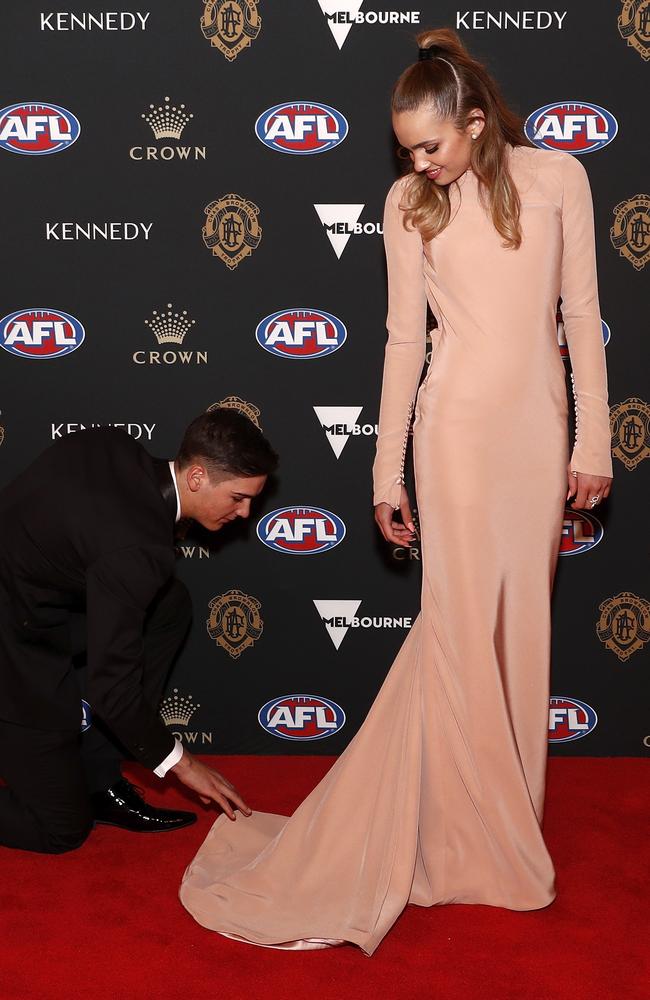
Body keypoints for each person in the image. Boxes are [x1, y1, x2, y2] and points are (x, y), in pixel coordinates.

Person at [179, 28, 613, 956]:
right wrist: (385, 473)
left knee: (521, 633)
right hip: (450, 436)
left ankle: (507, 828)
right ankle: (468, 846)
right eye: (406, 148)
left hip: (537, 436)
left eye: (432, 145)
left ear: (474, 120)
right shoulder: (407, 202)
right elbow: (403, 344)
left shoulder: (560, 179)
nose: (418, 161)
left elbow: (581, 315)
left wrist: (596, 441)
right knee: (457, 631)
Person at [0, 408, 278, 853]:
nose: (245, 513)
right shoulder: (138, 550)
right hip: (15, 642)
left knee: (169, 606)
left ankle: (98, 776)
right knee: (61, 829)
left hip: (38, 596)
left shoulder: (116, 447)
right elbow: (113, 688)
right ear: (197, 477)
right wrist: (183, 765)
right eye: (238, 497)